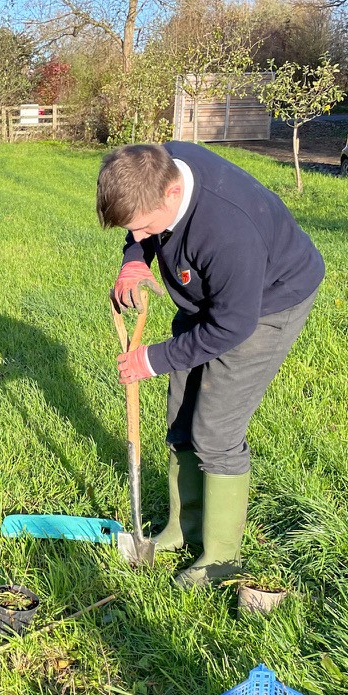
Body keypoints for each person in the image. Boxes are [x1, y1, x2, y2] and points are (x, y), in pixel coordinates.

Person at [98, 142, 324, 588]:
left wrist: (154, 358)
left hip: (264, 307)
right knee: (181, 418)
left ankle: (220, 557)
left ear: (172, 193)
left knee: (215, 431)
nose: (139, 237)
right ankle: (186, 529)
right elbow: (140, 235)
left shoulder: (228, 230)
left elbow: (232, 326)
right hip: (209, 293)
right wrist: (132, 262)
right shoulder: (153, 166)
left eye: (143, 229)